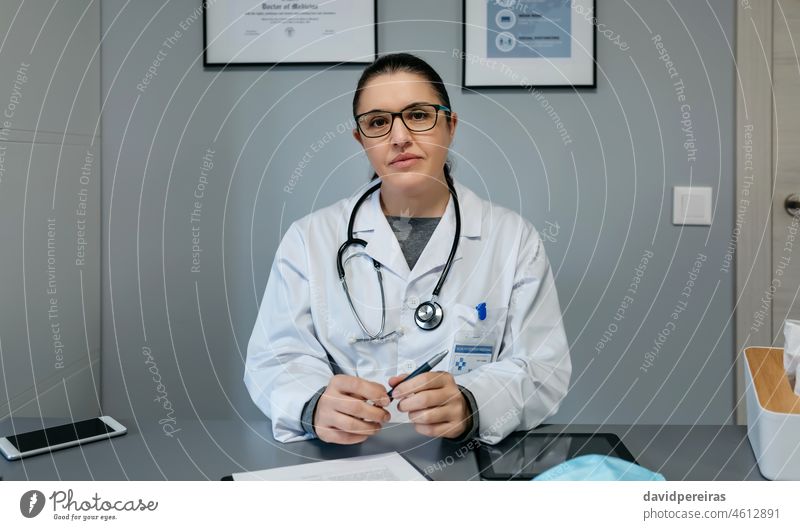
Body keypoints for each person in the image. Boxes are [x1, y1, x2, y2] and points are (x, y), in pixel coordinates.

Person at [245, 53, 571, 445]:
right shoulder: (310, 239)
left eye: (418, 115)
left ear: (450, 125)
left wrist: (473, 403)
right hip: (345, 461)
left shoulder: (512, 239)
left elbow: (544, 368)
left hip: (465, 460)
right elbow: (273, 359)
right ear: (360, 139)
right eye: (378, 123)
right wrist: (312, 405)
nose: (399, 137)